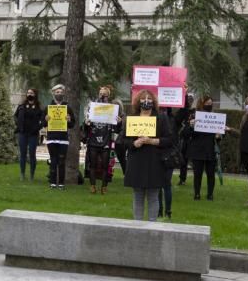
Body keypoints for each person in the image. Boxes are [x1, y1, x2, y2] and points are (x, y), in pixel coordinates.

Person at [123, 89, 174, 222]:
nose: (146, 101)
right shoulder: (131, 118)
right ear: (138, 101)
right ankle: (137, 225)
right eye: (143, 99)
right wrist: (135, 143)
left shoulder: (161, 118)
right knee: (138, 195)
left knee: (153, 195)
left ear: (154, 101)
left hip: (155, 161)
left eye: (149, 99)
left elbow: (169, 140)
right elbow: (122, 141)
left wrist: (152, 141)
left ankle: (152, 225)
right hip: (137, 161)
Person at [185, 95, 220, 201]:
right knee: (197, 174)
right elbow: (186, 134)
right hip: (197, 149)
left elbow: (218, 138)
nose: (209, 105)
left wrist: (218, 136)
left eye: (210, 104)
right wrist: (191, 126)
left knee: (211, 174)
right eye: (207, 103)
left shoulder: (215, 117)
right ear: (201, 104)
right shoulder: (193, 116)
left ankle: (210, 194)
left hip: (210, 149)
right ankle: (197, 194)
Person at [83, 85, 117, 195]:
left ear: (108, 95)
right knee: (92, 164)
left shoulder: (112, 107)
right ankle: (92, 186)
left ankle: (104, 186)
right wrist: (87, 122)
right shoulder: (92, 106)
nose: (102, 95)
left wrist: (118, 121)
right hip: (93, 138)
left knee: (105, 165)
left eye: (105, 93)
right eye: (101, 93)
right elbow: (86, 122)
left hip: (106, 139)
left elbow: (116, 127)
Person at [45, 84, 75, 189]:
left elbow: (72, 124)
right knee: (53, 160)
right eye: (57, 92)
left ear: (64, 94)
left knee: (61, 161)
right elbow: (43, 123)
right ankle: (53, 183)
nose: (59, 94)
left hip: (63, 138)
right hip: (51, 137)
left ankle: (61, 184)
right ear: (53, 94)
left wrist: (69, 120)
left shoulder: (67, 108)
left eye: (61, 92)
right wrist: (46, 119)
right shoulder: (49, 108)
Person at [14, 88, 45, 181]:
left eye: (31, 93)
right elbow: (15, 116)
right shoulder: (21, 106)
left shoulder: (39, 108)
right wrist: (18, 125)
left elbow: (43, 121)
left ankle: (32, 174)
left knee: (32, 154)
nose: (29, 94)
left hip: (33, 134)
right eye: (28, 93)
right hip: (22, 133)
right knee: (22, 154)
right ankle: (22, 174)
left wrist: (38, 127)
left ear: (35, 95)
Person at [174, 93, 194, 185]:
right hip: (183, 139)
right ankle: (182, 179)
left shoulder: (194, 112)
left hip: (191, 139)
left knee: (190, 160)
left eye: (191, 99)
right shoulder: (182, 111)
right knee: (183, 160)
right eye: (188, 99)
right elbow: (177, 121)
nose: (190, 101)